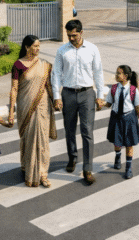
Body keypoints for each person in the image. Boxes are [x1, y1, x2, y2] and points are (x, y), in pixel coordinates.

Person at [52, 19, 105, 185]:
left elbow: (99, 72)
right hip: (68, 94)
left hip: (87, 93)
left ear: (81, 32)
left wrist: (100, 95)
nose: (71, 38)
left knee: (87, 131)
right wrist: (57, 96)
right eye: (69, 35)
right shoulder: (62, 51)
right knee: (69, 129)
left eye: (74, 35)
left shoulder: (92, 49)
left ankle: (87, 169)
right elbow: (56, 74)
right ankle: (72, 158)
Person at [8, 35, 57, 188]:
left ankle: (42, 174)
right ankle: (27, 168)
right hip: (25, 106)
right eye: (35, 46)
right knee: (28, 140)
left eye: (39, 46)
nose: (38, 49)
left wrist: (56, 100)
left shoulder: (44, 65)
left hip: (42, 106)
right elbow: (14, 89)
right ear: (27, 47)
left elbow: (48, 85)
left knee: (42, 140)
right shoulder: (18, 65)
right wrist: (11, 112)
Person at [103, 65, 139, 179]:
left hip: (129, 118)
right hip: (116, 117)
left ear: (125, 76)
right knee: (117, 142)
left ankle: (128, 168)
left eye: (118, 73)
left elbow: (138, 107)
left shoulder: (133, 90)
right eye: (116, 73)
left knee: (129, 144)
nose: (116, 76)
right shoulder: (114, 89)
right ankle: (117, 156)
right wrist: (102, 104)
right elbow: (109, 104)